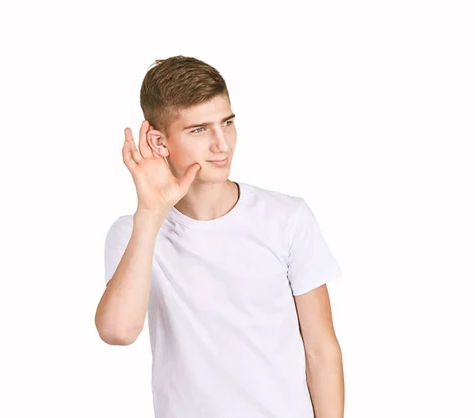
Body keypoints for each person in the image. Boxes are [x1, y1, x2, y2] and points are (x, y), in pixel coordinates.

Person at [94, 55, 344, 418]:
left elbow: (321, 349)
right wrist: (151, 213)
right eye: (198, 130)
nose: (222, 144)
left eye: (226, 123)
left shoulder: (286, 218)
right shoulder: (133, 234)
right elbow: (118, 331)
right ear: (158, 141)